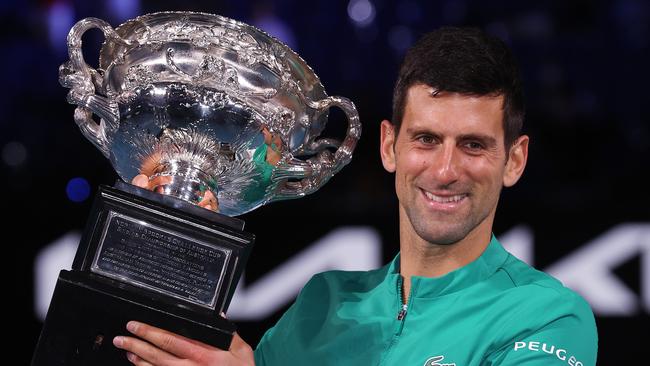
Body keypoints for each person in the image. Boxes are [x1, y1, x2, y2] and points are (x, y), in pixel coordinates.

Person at [113, 27, 598, 365]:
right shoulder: (325, 305)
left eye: (473, 145)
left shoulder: (546, 317)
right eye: (426, 140)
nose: (445, 170)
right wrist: (160, 243)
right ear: (389, 145)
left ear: (515, 160)